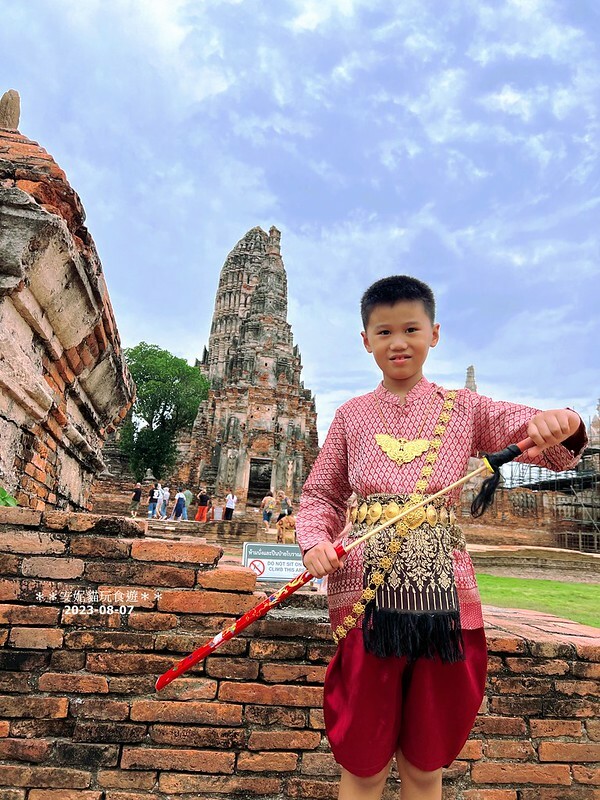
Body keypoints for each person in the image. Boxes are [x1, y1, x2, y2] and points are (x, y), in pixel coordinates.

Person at [295, 275, 586, 800]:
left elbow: (530, 429)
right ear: (366, 341)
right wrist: (315, 539)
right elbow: (321, 494)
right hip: (365, 597)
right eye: (384, 332)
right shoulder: (350, 417)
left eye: (411, 328)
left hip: (445, 602)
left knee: (426, 764)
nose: (398, 342)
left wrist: (561, 420)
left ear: (434, 334)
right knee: (362, 765)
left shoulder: (465, 409)